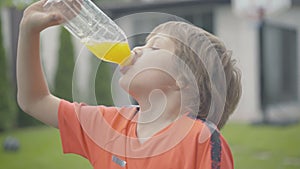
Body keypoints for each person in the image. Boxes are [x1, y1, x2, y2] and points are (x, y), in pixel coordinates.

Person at [17, 0, 241, 168]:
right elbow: (34, 101)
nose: (136, 49)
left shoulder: (200, 141)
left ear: (184, 79)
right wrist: (29, 30)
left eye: (154, 47)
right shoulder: (109, 125)